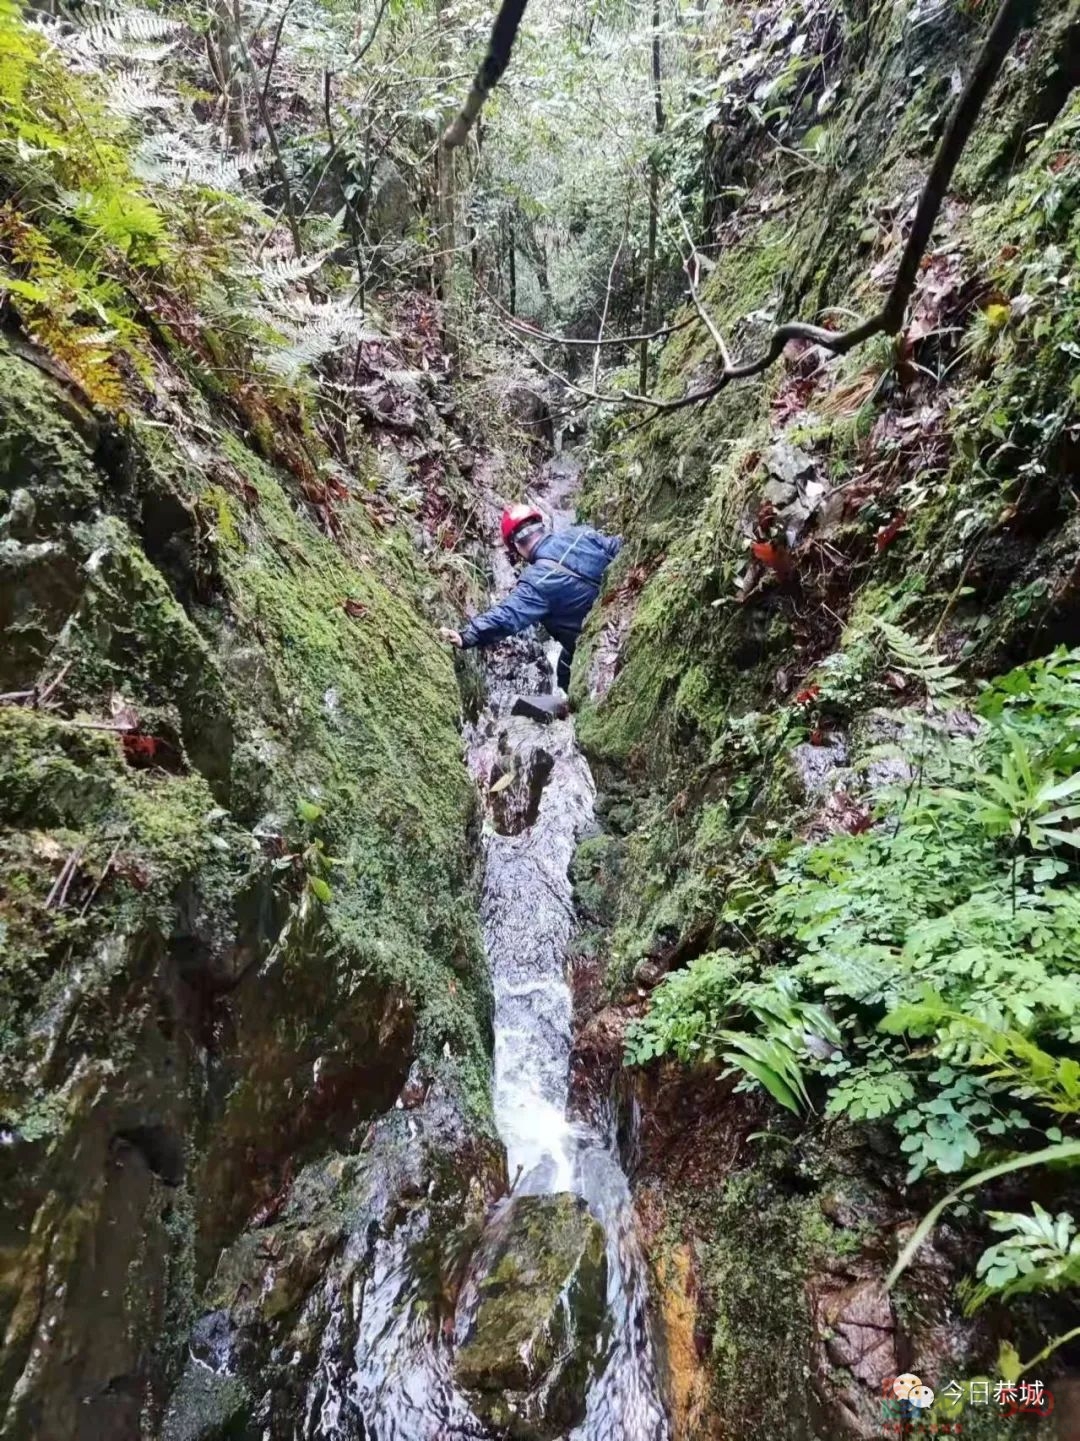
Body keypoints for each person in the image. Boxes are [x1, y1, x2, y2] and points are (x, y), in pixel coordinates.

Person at [440, 503, 621, 691]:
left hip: (594, 640)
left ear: (516, 546)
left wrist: (467, 635)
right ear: (541, 526)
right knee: (564, 669)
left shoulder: (536, 581)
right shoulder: (581, 534)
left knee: (568, 675)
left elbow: (507, 615)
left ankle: (569, 710)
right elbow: (618, 548)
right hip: (622, 610)